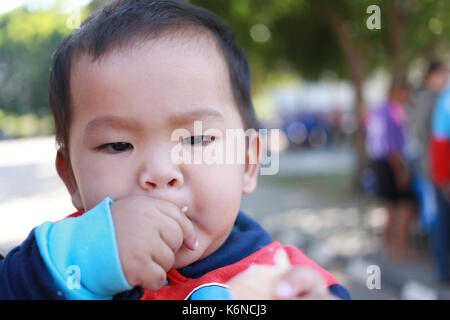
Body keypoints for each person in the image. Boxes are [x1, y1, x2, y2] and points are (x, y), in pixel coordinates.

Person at [0, 0, 350, 300]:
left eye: (197, 139)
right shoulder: (50, 264)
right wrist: (82, 260)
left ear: (248, 162)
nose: (160, 172)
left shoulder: (286, 278)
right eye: (117, 145)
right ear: (72, 179)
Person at [366, 78, 418, 259]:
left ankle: (390, 247)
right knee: (404, 207)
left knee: (390, 207)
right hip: (393, 163)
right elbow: (393, 148)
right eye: (406, 92)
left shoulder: (379, 110)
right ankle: (400, 248)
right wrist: (401, 171)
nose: (408, 96)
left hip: (381, 163)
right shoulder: (393, 112)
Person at [407, 61, 449, 232]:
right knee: (439, 218)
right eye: (443, 73)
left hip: (432, 163)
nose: (446, 77)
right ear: (431, 76)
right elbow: (430, 136)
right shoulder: (432, 98)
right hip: (434, 164)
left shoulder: (430, 97)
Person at [429, 83, 450, 284]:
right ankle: (444, 271)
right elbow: (440, 139)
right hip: (446, 177)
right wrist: (444, 178)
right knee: (444, 224)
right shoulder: (447, 97)